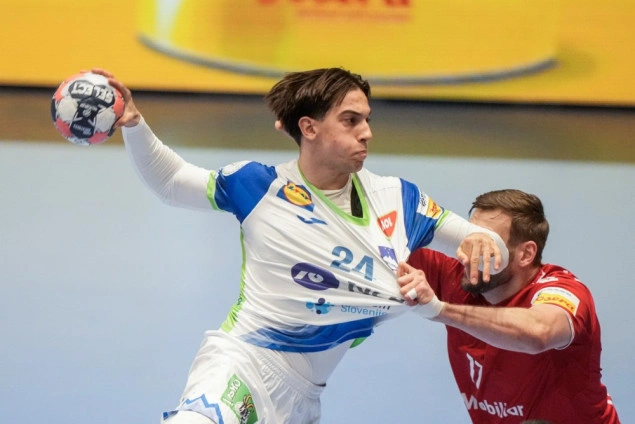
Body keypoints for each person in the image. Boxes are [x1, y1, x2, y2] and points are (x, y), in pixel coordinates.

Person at [95, 67, 509, 424]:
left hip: (304, 395)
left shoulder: (399, 200)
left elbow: (490, 247)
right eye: (350, 121)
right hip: (242, 361)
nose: (367, 132)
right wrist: (134, 124)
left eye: (366, 119)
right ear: (309, 128)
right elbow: (171, 182)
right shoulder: (259, 186)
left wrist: (485, 243)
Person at [399, 189, 620, 423]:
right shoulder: (457, 273)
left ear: (526, 254)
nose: (470, 253)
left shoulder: (563, 289)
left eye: (489, 243)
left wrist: (439, 310)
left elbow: (539, 332)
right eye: (470, 236)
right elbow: (385, 228)